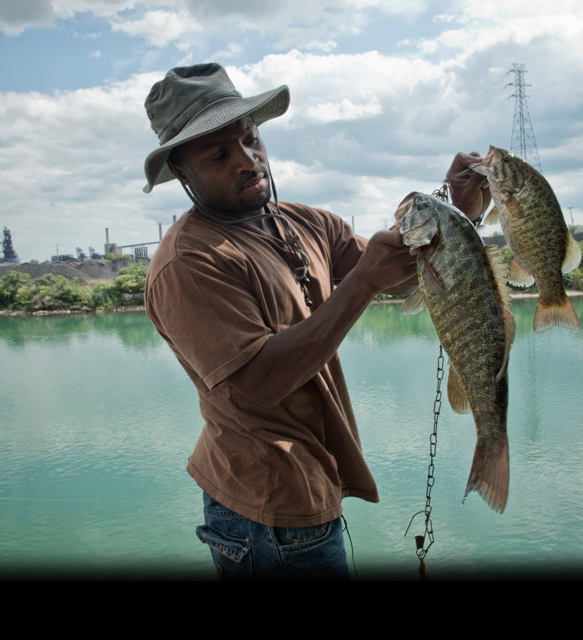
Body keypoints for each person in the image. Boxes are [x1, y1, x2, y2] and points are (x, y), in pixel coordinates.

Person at [141, 63, 490, 580]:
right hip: (264, 511)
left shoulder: (304, 221)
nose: (247, 160)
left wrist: (458, 211)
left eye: (250, 138)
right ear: (182, 172)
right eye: (218, 154)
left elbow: (398, 276)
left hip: (310, 488)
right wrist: (362, 283)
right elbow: (260, 383)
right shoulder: (190, 262)